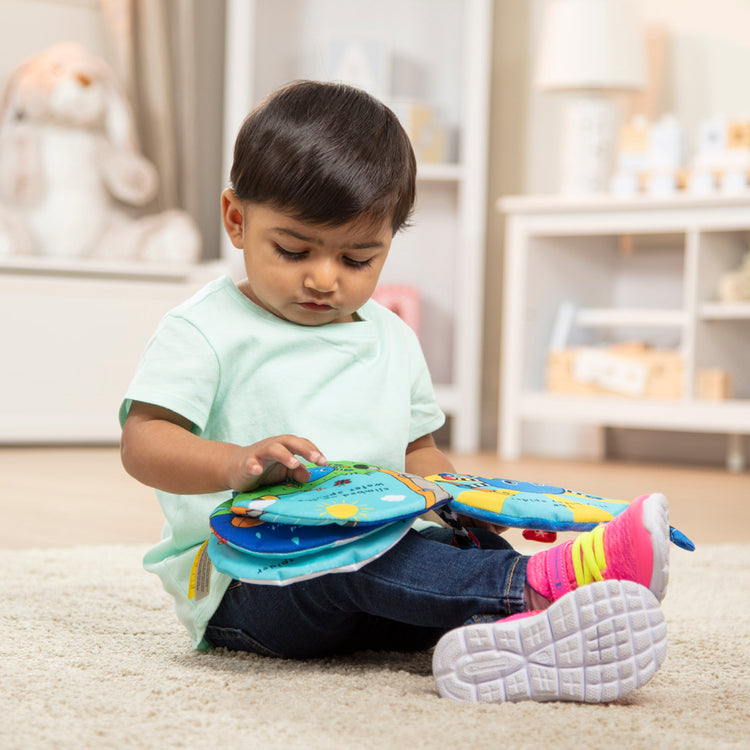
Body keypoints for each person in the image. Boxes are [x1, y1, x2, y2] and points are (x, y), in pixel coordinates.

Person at [120, 80, 670, 704]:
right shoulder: (204, 329)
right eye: (293, 249)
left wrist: (450, 496)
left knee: (455, 544)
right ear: (237, 219)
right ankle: (542, 589)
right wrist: (233, 463)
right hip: (249, 585)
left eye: (357, 260)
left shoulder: (392, 337)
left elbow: (420, 454)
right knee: (355, 557)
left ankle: (512, 638)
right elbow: (143, 442)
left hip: (371, 556)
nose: (324, 278)